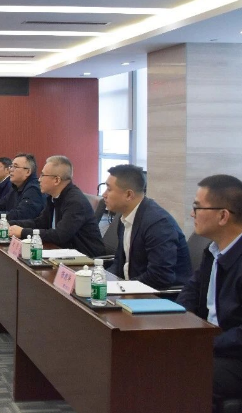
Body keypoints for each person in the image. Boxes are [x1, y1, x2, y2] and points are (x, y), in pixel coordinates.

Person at [177, 174, 242, 408]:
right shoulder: (213, 250)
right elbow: (191, 291)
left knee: (182, 374)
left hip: (234, 355)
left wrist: (205, 343)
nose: (192, 214)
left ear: (223, 216)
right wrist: (178, 324)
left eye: (197, 207)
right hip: (213, 343)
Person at [103, 164, 192, 289]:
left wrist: (121, 287)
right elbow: (119, 262)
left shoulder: (158, 224)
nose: (104, 194)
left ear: (129, 195)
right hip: (132, 288)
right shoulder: (124, 217)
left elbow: (159, 277)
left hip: (158, 295)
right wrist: (103, 280)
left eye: (109, 189)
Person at [9, 155, 107, 257]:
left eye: (43, 175)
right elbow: (40, 223)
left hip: (86, 258)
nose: (39, 179)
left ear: (56, 180)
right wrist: (11, 224)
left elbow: (60, 235)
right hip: (62, 251)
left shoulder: (75, 201)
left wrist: (23, 232)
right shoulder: (53, 197)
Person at [0, 153, 45, 223]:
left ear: (28, 171)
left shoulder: (33, 189)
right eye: (11, 166)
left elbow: (20, 215)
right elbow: (0, 204)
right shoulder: (16, 186)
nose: (11, 170)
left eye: (15, 167)